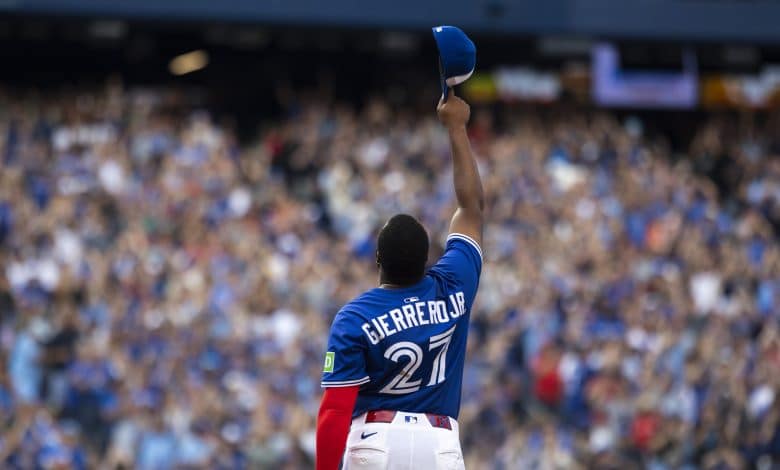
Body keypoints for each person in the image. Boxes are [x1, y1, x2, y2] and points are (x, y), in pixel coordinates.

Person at [315, 90, 484, 470]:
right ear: (428, 259)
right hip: (440, 445)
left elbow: (334, 411)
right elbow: (471, 208)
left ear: (377, 259)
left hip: (377, 441)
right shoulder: (453, 282)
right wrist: (456, 128)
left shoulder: (354, 317)